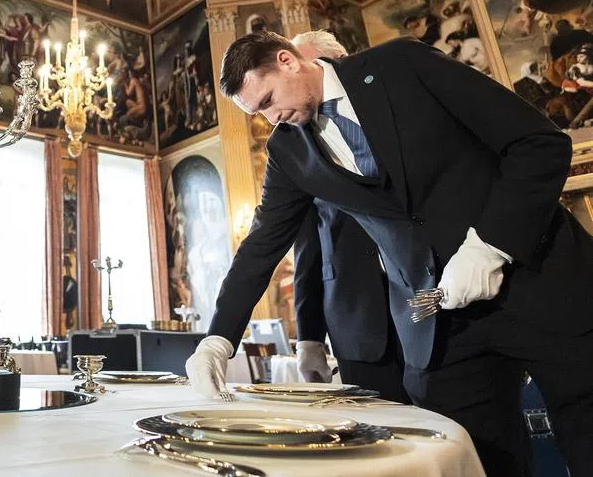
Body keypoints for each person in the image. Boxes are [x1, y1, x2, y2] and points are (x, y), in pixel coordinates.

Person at [185, 31, 593, 477]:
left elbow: (538, 143)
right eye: (258, 113)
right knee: (473, 463)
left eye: (267, 100)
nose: (271, 119)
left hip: (545, 286)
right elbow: (262, 244)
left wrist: (491, 246)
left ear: (287, 60)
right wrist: (218, 339)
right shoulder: (288, 150)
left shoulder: (402, 65)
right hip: (443, 327)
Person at [288, 30, 407, 403]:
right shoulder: (300, 147)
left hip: (431, 303)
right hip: (355, 322)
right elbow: (308, 249)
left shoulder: (392, 108)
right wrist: (309, 338)